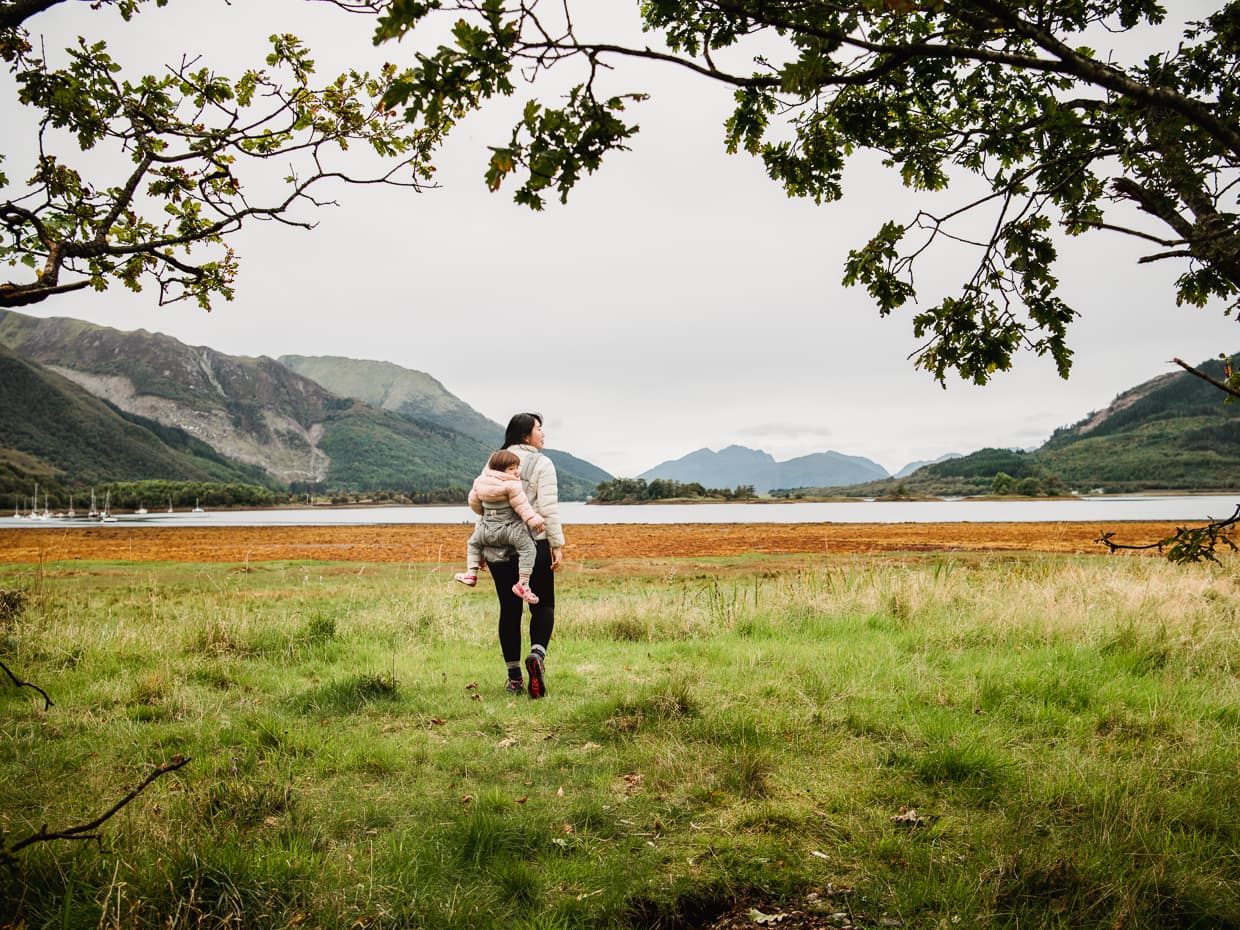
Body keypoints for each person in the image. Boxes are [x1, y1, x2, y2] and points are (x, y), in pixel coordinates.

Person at [484, 412, 564, 698]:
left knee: (509, 608)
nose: (543, 434)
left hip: (498, 547)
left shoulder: (495, 460)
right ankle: (537, 656)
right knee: (543, 605)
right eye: (538, 429)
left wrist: (482, 545)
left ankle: (515, 678)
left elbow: (484, 503)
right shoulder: (543, 463)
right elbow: (548, 509)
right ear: (524, 435)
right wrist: (556, 544)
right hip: (534, 544)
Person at [454, 449, 545, 604]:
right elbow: (523, 507)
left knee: (473, 544)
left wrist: (487, 514)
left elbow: (474, 504)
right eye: (511, 468)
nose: (516, 472)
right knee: (528, 549)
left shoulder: (479, 482)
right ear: (499, 469)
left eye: (517, 467)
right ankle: (523, 584)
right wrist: (535, 521)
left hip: (486, 529)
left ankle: (471, 573)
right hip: (509, 530)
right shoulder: (512, 486)